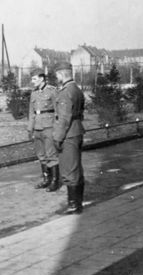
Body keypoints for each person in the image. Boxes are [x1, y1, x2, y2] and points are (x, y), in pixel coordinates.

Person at [53, 62, 86, 214]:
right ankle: (77, 203)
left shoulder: (66, 92)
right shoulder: (77, 89)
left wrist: (58, 138)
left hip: (69, 134)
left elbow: (64, 118)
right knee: (77, 168)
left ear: (61, 74)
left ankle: (74, 205)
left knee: (69, 169)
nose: (56, 78)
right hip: (77, 130)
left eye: (57, 75)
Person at [27, 68, 59, 191]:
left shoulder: (52, 91)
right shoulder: (33, 93)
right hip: (37, 127)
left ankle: (55, 181)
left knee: (51, 154)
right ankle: (46, 179)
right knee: (41, 154)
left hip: (49, 127)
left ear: (41, 78)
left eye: (34, 79)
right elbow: (31, 112)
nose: (32, 81)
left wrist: (57, 128)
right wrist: (30, 129)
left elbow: (58, 111)